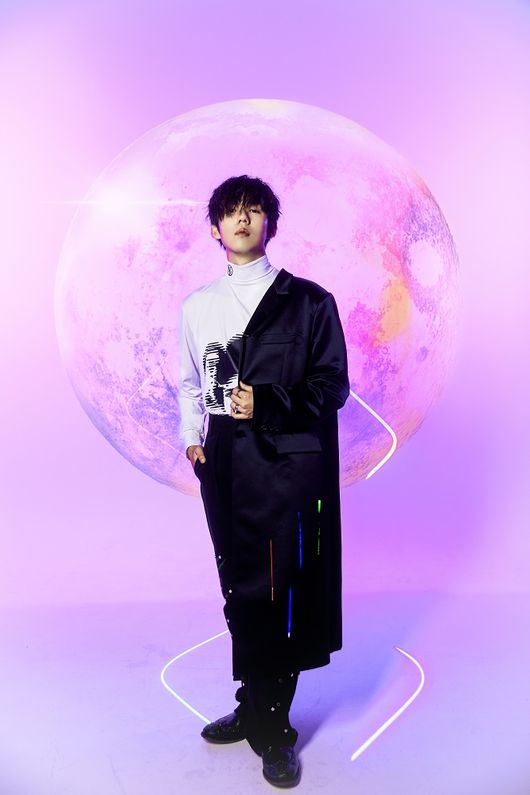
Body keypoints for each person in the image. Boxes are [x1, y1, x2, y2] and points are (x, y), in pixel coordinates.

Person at [178, 174, 350, 787]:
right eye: (232, 211)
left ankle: (274, 730)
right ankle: (253, 705)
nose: (243, 219)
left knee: (282, 589)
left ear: (270, 224)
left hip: (287, 463)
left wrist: (269, 402)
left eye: (254, 210)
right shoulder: (198, 305)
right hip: (223, 459)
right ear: (216, 228)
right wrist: (192, 438)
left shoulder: (310, 302)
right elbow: (190, 382)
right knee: (240, 585)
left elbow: (333, 385)